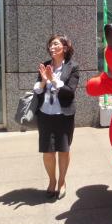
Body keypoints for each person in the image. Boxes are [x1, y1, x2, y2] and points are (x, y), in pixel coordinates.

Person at [33, 34, 79, 200]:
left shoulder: (73, 67)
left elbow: (69, 91)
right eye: (50, 45)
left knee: (63, 150)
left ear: (64, 48)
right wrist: (45, 81)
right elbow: (37, 89)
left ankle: (61, 182)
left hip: (64, 115)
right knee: (48, 151)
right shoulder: (45, 65)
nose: (51, 48)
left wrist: (54, 81)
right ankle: (52, 181)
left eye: (55, 44)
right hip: (45, 114)